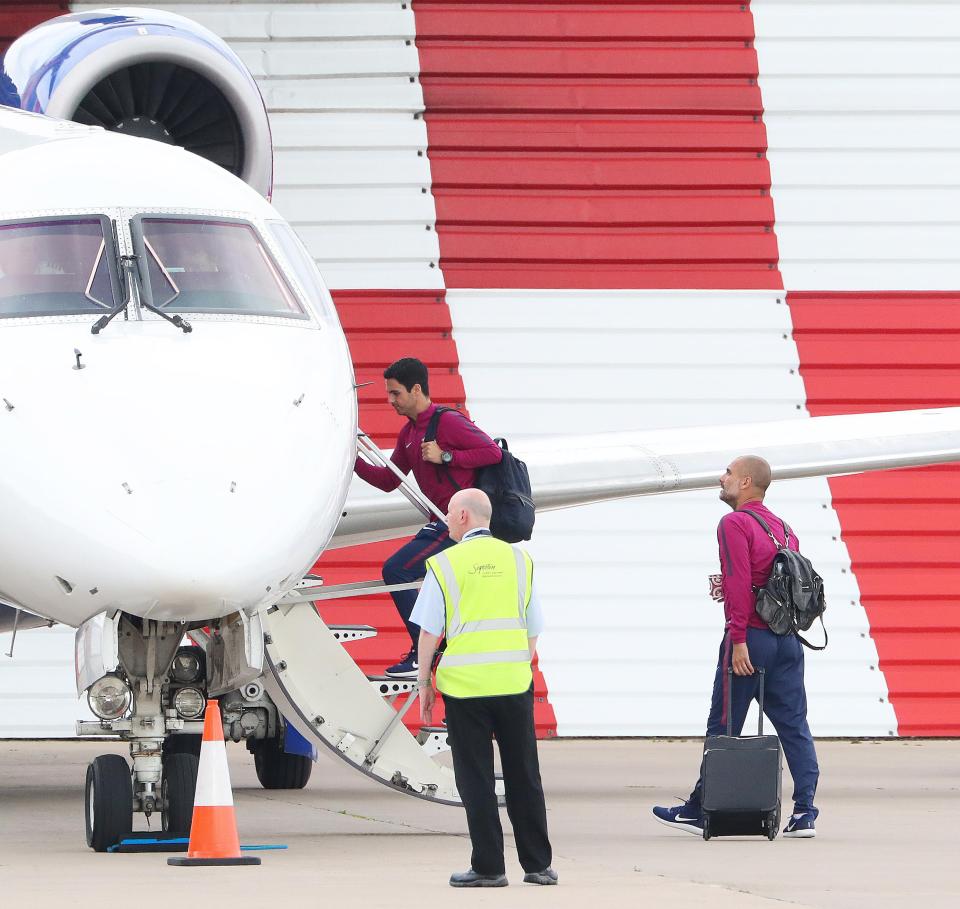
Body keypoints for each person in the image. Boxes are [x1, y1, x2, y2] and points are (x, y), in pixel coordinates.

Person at [652, 455, 820, 838]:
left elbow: (741, 582)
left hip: (751, 640)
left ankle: (698, 809)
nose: (721, 478)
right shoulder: (784, 529)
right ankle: (805, 812)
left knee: (724, 725)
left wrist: (739, 639)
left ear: (746, 482)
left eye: (728, 472)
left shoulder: (734, 523)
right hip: (788, 641)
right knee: (794, 724)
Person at [415, 488, 557, 887]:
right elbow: (533, 629)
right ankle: (538, 865)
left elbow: (429, 633)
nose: (444, 518)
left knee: (475, 778)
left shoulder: (443, 564)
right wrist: (516, 667)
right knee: (524, 773)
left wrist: (424, 682)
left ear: (462, 516)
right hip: (513, 684)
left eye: (446, 511)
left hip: (464, 690)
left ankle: (489, 867)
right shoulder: (519, 559)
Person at [354, 358, 503, 678]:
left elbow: (492, 453)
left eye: (395, 393)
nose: (390, 400)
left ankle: (426, 651)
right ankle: (437, 648)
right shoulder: (409, 433)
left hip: (460, 522)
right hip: (441, 521)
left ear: (416, 389)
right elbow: (388, 480)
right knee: (402, 571)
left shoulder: (446, 422)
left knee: (398, 569)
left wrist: (446, 456)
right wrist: (352, 459)